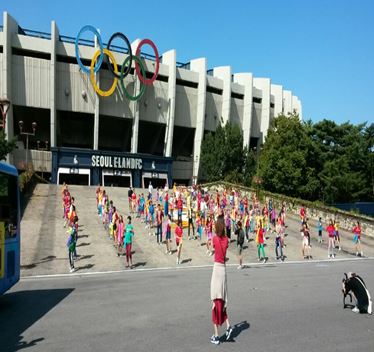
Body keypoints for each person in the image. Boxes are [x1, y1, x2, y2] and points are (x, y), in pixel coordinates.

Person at [210, 216, 234, 345]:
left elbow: (213, 245)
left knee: (215, 301)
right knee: (222, 300)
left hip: (217, 269)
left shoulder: (215, 238)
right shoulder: (226, 240)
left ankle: (216, 335)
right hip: (223, 269)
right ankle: (228, 325)